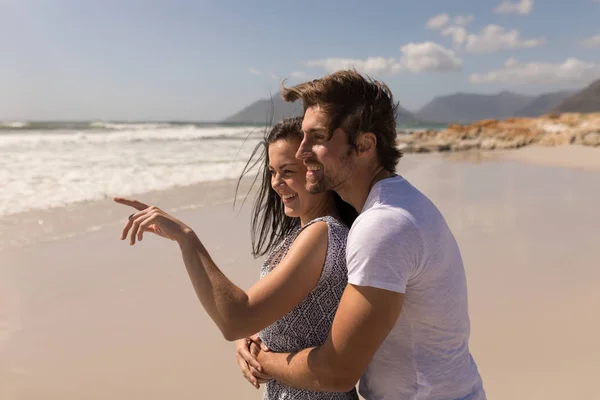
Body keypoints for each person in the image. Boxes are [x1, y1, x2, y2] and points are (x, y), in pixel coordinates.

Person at [240, 70, 487, 400]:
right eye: (303, 137)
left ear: (364, 144)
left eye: (317, 137)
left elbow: (337, 371)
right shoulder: (391, 206)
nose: (301, 152)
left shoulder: (382, 226)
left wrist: (264, 361)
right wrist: (261, 335)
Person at [113, 117, 359, 399]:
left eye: (287, 171)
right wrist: (252, 338)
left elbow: (235, 318)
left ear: (317, 170)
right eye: (272, 171)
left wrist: (185, 237)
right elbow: (255, 320)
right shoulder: (310, 233)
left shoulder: (321, 233)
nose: (276, 183)